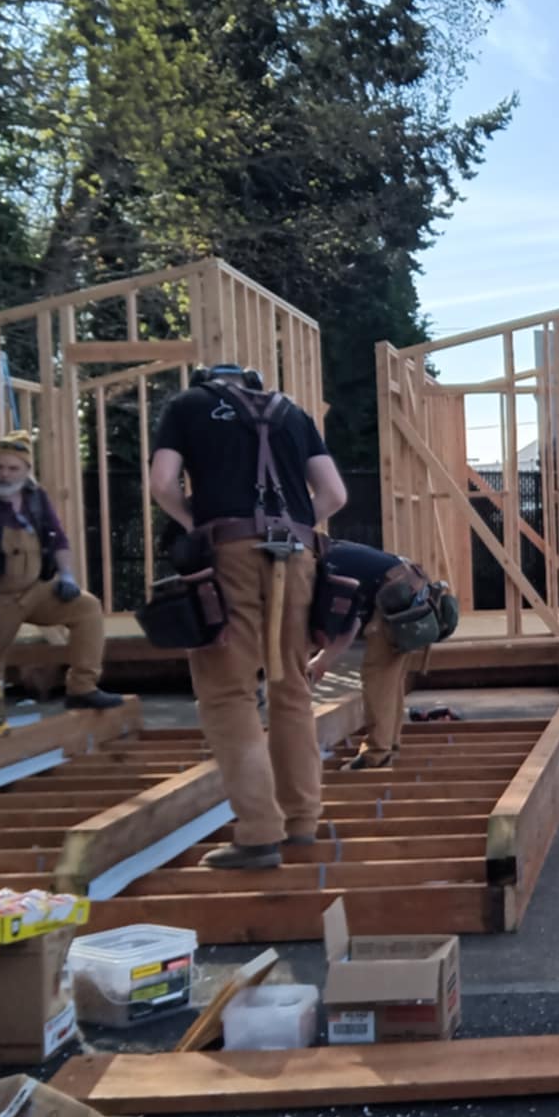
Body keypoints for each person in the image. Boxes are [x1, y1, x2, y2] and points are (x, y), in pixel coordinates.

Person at [150, 363, 347, 868]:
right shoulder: (292, 413)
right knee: (291, 688)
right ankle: (301, 821)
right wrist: (293, 525)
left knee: (228, 691)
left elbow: (163, 482)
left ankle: (259, 832)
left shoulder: (187, 405)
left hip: (229, 553)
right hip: (297, 555)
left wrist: (196, 524)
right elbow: (334, 495)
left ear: (207, 382)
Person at [0, 431, 122, 729]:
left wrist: (67, 575)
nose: (5, 475)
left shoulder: (36, 498)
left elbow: (59, 540)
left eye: (13, 468)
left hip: (35, 590)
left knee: (87, 608)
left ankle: (82, 688)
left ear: (26, 470)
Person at [303, 539, 457, 770]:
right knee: (390, 679)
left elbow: (345, 627)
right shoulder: (334, 555)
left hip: (399, 599)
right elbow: (353, 621)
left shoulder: (327, 569)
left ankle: (376, 753)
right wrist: (322, 660)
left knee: (378, 677)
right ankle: (388, 744)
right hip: (409, 593)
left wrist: (321, 661)